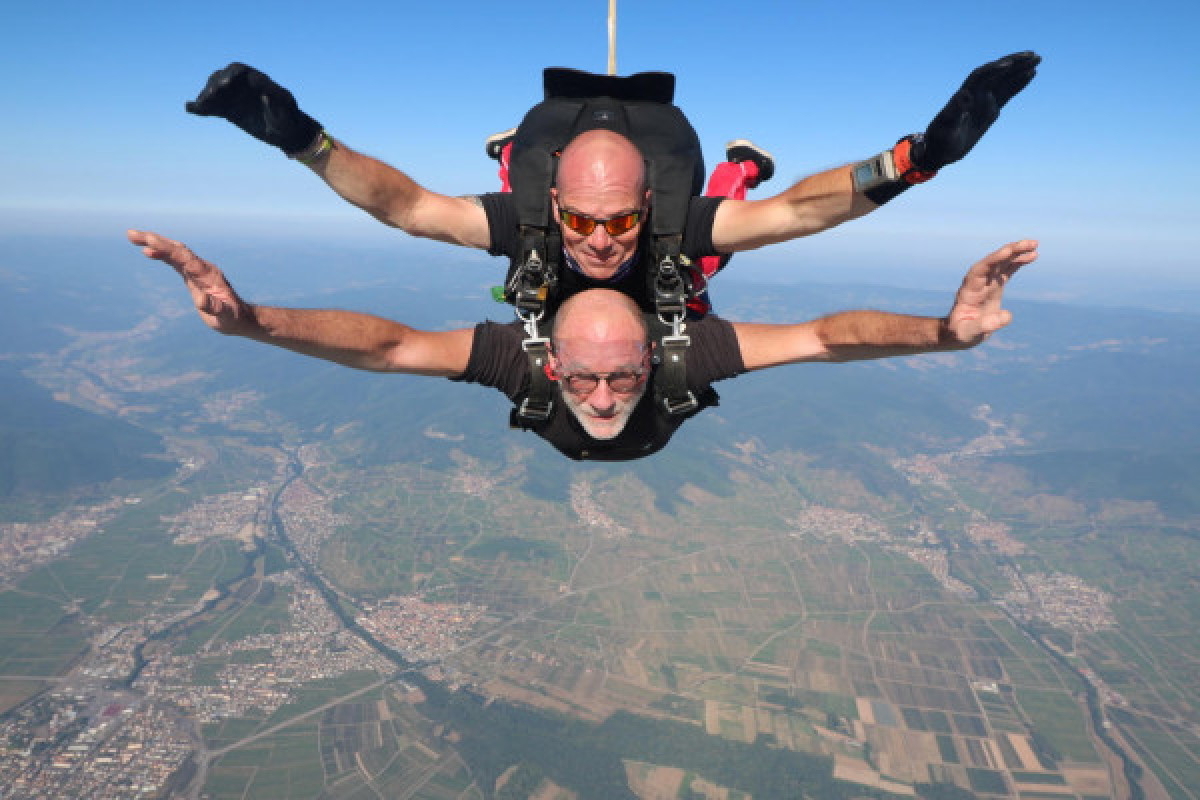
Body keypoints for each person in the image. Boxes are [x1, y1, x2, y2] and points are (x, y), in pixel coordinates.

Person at [185, 53, 1039, 312]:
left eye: (617, 226)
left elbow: (408, 209)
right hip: (658, 181)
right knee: (731, 210)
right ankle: (738, 155)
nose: (599, 243)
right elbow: (792, 213)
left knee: (525, 191)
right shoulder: (676, 250)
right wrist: (918, 158)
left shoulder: (539, 232)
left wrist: (299, 138)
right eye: (585, 229)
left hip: (567, 167)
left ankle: (515, 151)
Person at [127, 229, 1038, 462]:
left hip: (657, 311)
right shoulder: (541, 358)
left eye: (618, 378)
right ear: (550, 364)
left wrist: (943, 336)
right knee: (665, 259)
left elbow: (823, 337)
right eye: (588, 380)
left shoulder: (684, 350)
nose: (602, 399)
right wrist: (254, 322)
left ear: (652, 359)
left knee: (685, 266)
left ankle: (727, 184)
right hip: (604, 309)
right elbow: (389, 345)